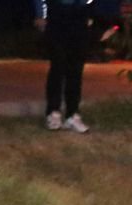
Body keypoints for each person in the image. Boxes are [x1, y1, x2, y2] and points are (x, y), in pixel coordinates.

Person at [33, 0, 93, 134]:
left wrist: (87, 9)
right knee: (58, 66)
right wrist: (41, 14)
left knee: (76, 69)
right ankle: (53, 113)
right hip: (57, 12)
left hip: (79, 14)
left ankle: (72, 115)